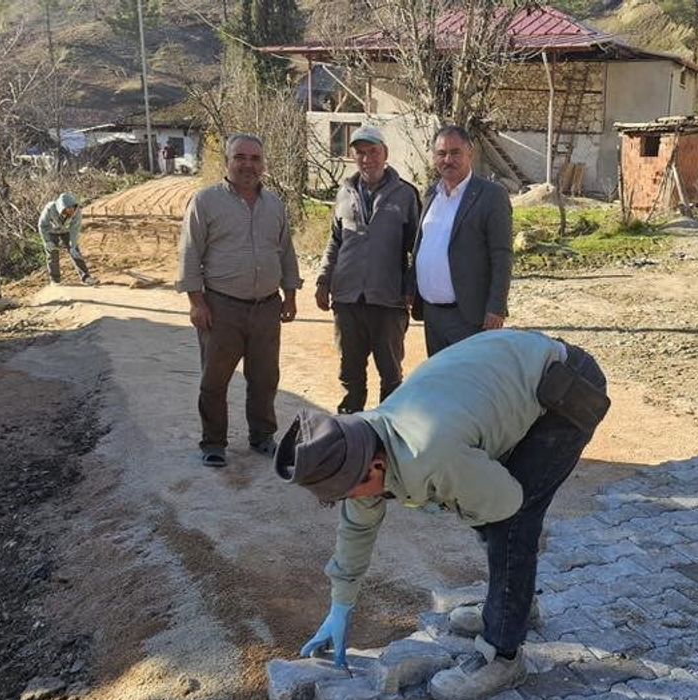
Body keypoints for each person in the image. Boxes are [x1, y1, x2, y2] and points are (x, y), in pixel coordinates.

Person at [276, 329, 610, 700]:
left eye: (347, 493)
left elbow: (506, 504)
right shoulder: (364, 443)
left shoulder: (430, 454)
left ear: (373, 468)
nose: (348, 502)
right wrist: (341, 605)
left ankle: (503, 654)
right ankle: (513, 606)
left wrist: (457, 499)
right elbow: (357, 526)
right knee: (488, 507)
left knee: (509, 526)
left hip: (564, 390)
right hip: (511, 370)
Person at [177, 133, 302, 467]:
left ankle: (262, 436)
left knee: (264, 378)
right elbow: (190, 254)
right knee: (214, 380)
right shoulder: (205, 202)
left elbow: (286, 251)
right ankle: (214, 442)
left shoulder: (274, 204)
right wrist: (196, 302)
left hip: (266, 307)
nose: (248, 164)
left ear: (263, 163)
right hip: (221, 308)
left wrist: (290, 294)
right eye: (240, 157)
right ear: (227, 162)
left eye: (255, 158)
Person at [315, 126, 421, 415]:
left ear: (385, 154)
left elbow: (418, 247)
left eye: (373, 151)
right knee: (350, 371)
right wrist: (324, 280)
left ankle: (387, 432)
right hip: (348, 299)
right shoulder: (344, 193)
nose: (367, 158)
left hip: (388, 299)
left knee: (390, 373)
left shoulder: (405, 195)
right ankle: (351, 427)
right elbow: (335, 241)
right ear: (353, 157)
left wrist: (411, 287)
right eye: (360, 152)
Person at [410, 126, 513, 356]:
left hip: (469, 316)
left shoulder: (491, 195)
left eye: (455, 153)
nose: (448, 159)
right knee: (441, 382)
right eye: (441, 153)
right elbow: (421, 245)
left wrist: (496, 308)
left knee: (469, 384)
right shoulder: (431, 194)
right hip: (432, 315)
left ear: (470, 153)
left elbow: (502, 254)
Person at [37, 192, 97, 286]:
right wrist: (47, 241)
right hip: (51, 231)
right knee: (52, 253)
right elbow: (42, 225)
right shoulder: (50, 208)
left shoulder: (77, 213)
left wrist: (72, 245)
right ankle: (55, 280)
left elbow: (75, 229)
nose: (71, 211)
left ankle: (86, 277)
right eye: (69, 209)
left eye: (73, 208)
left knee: (75, 252)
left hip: (66, 231)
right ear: (62, 208)